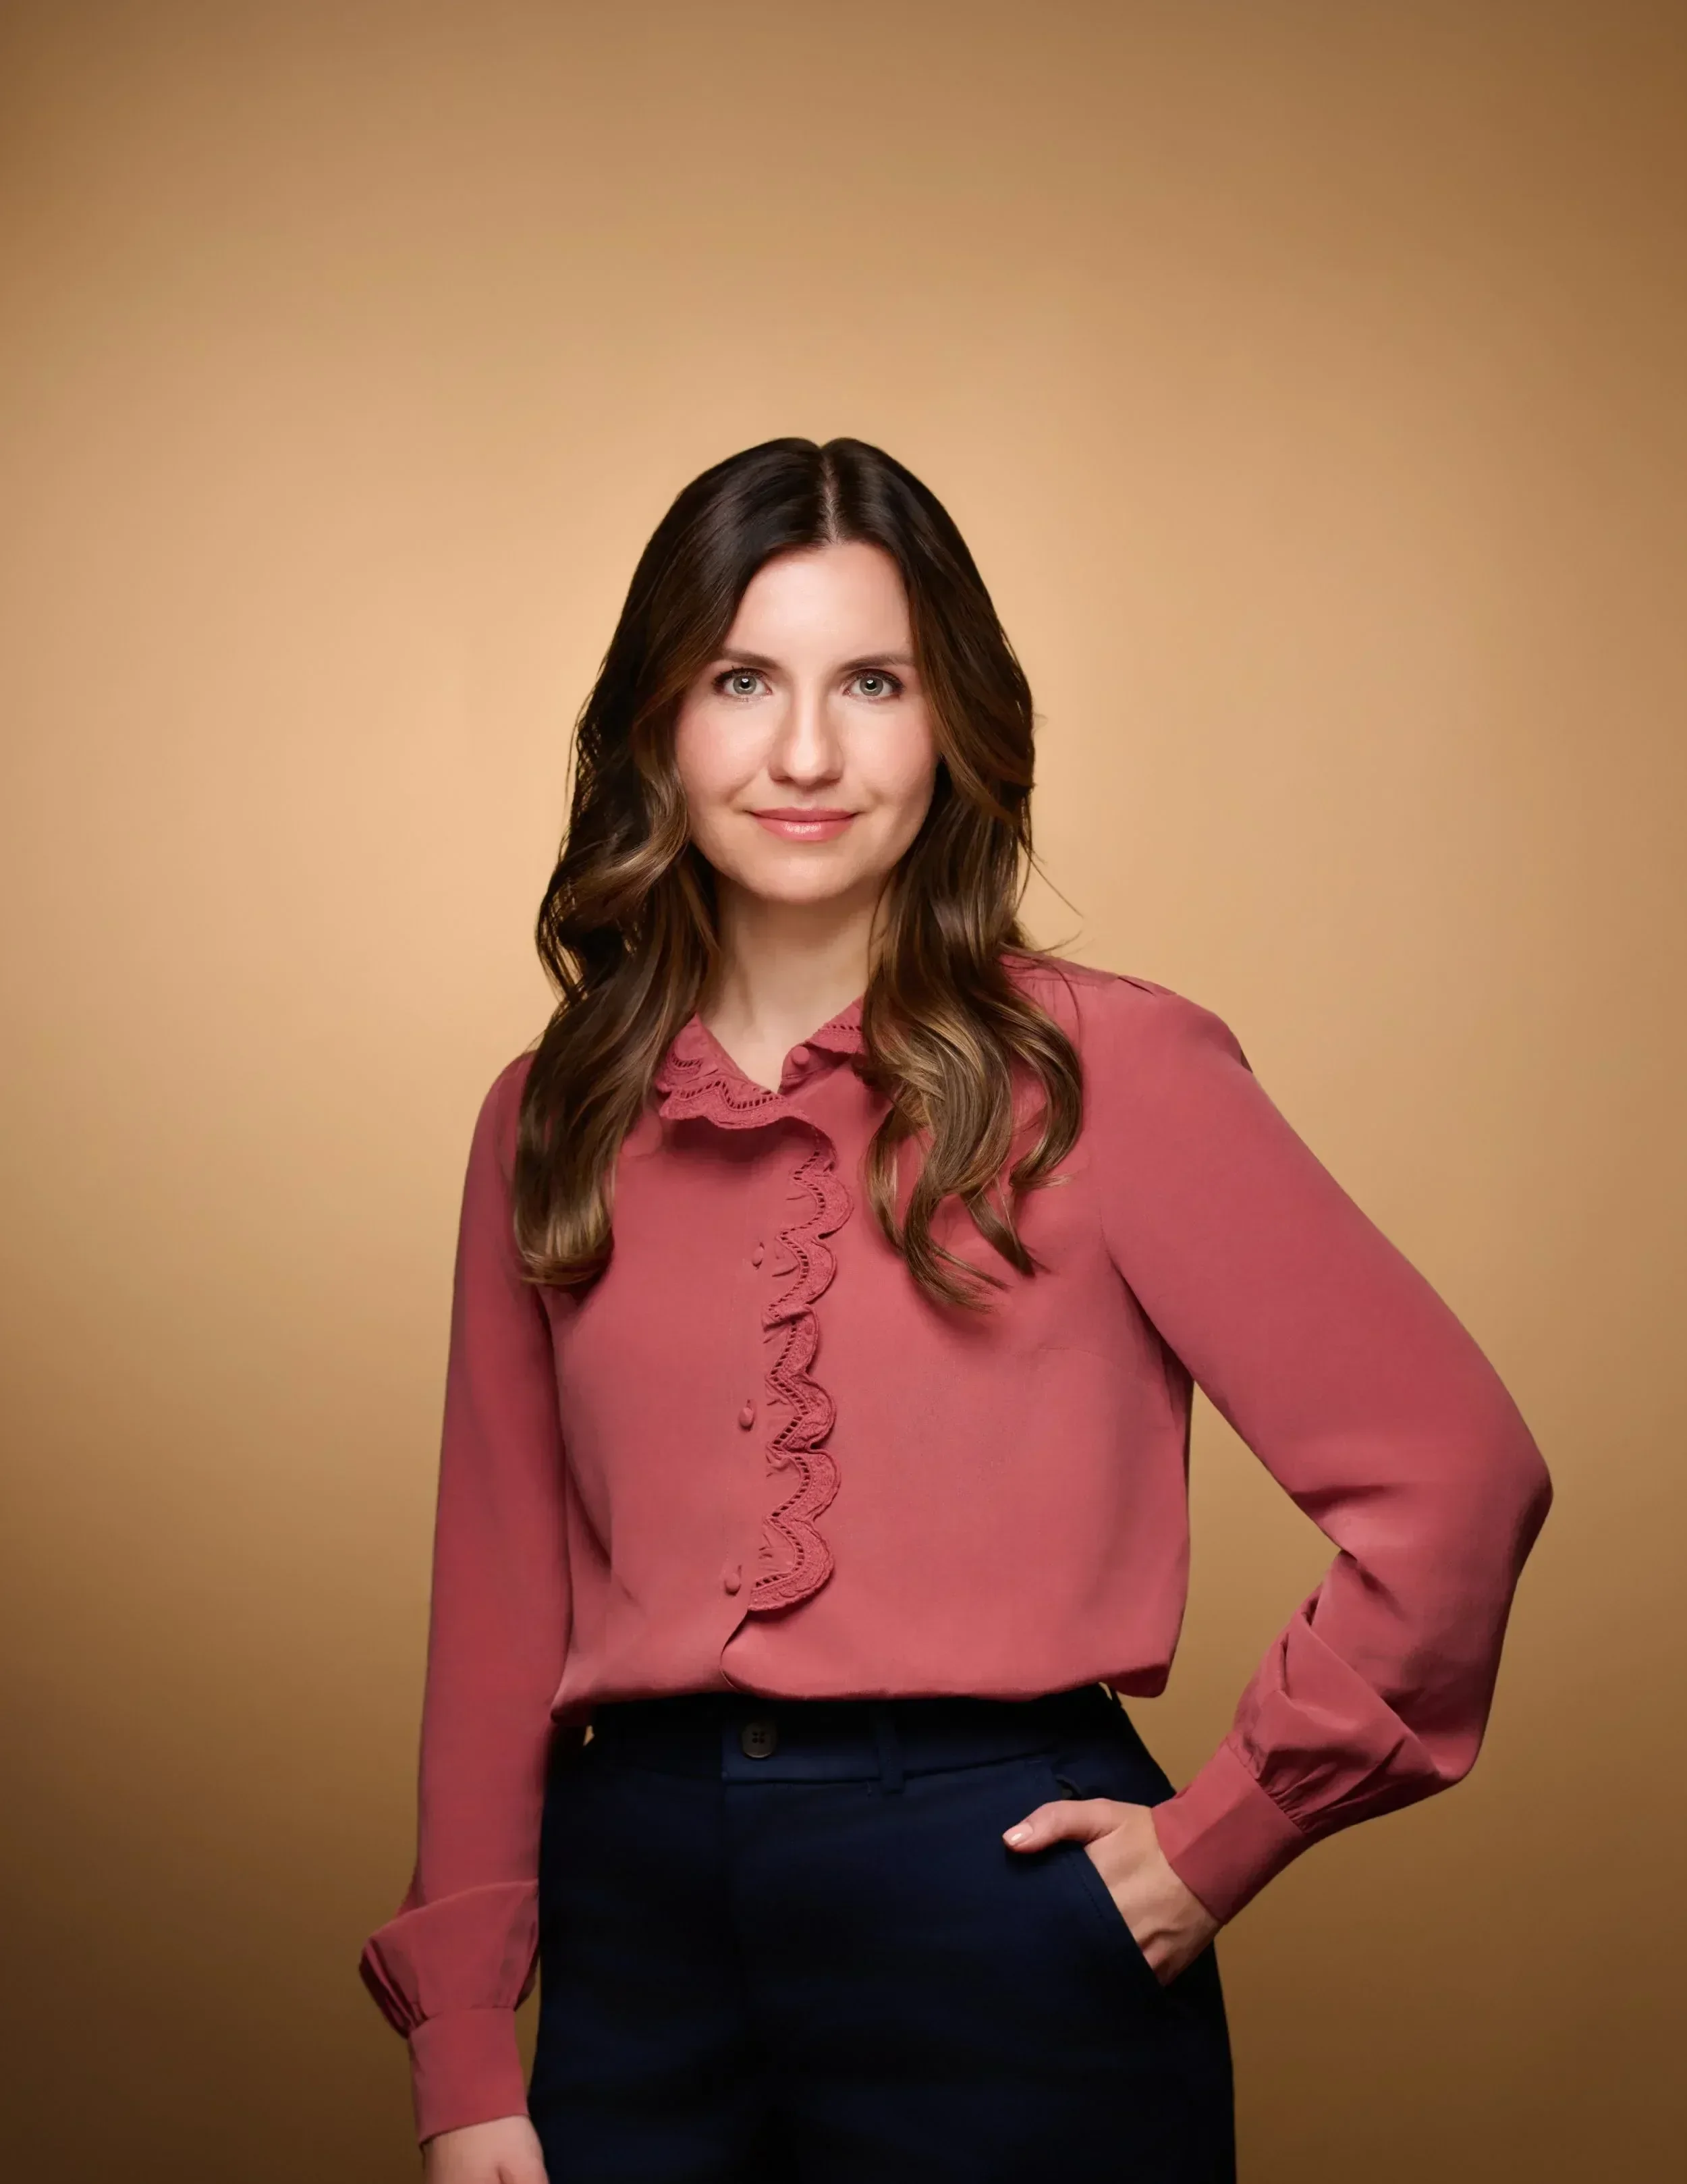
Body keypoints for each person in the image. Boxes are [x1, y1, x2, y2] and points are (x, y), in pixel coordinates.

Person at [357, 436, 1552, 2183]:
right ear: (653, 725)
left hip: (997, 1909)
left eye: (872, 682)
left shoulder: (1112, 1067)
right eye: (740, 679)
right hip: (637, 1946)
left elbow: (1455, 1479)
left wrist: (1211, 1838)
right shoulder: (550, 1119)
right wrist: (467, 2056)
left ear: (955, 725)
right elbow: (495, 1603)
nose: (805, 752)